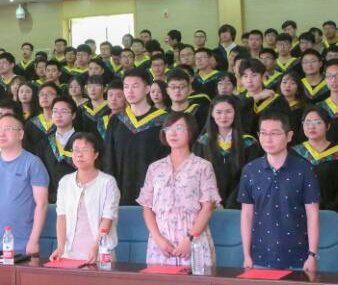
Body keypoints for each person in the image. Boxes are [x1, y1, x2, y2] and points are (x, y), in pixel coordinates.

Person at [238, 114, 321, 271]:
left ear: (289, 136)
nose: (268, 139)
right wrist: (246, 255)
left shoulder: (304, 169)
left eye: (275, 133)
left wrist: (312, 255)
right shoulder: (250, 170)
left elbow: (313, 214)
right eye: (263, 133)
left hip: (299, 258)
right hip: (259, 257)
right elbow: (247, 215)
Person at [139, 112, 220, 267]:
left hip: (193, 240)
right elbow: (147, 208)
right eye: (168, 129)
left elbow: (208, 207)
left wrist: (190, 239)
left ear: (190, 132)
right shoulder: (155, 168)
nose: (172, 133)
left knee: (197, 281)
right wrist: (159, 239)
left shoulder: (203, 166)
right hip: (162, 242)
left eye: (179, 128)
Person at [0, 114, 50, 257]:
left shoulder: (33, 163)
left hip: (23, 246)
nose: (1, 134)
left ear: (20, 134)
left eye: (8, 129)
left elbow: (42, 204)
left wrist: (33, 240)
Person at [49, 132, 120, 264]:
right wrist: (60, 247)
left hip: (99, 252)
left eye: (85, 150)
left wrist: (96, 246)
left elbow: (107, 218)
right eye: (75, 150)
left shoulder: (107, 182)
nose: (79, 154)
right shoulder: (65, 182)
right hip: (69, 253)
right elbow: (61, 216)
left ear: (96, 154)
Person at [104, 69, 168, 205]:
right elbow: (109, 157)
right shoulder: (117, 120)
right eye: (126, 87)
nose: (130, 91)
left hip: (154, 192)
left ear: (147, 89)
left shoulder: (163, 121)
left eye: (135, 86)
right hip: (121, 190)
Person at [193, 95, 258, 209]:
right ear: (212, 114)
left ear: (235, 113)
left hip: (240, 205)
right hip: (208, 206)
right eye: (218, 112)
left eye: (228, 112)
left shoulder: (248, 143)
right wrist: (212, 200)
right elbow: (196, 176)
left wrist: (232, 203)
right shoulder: (202, 143)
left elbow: (250, 176)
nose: (223, 116)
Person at [292, 105, 338, 219]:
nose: (311, 126)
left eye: (317, 122)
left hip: (332, 216)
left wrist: (330, 213)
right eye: (307, 122)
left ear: (328, 126)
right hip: (299, 215)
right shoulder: (293, 154)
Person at [42, 95, 79, 188]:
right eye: (55, 111)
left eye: (64, 111)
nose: (58, 115)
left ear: (73, 115)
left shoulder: (82, 140)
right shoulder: (45, 141)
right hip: (51, 194)